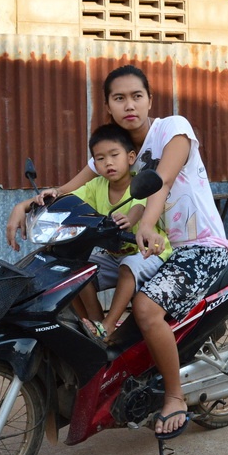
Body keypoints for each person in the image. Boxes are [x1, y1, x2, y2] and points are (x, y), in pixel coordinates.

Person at [6, 64, 228, 438]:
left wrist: (145, 222)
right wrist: (25, 205)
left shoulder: (173, 129)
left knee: (146, 308)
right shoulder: (119, 149)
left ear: (150, 100)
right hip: (151, 246)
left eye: (137, 96)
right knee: (71, 269)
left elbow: (161, 181)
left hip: (200, 248)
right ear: (108, 106)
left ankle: (174, 397)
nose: (130, 105)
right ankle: (102, 338)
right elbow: (67, 189)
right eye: (119, 98)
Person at [69, 123, 172, 339]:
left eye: (114, 155)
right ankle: (95, 325)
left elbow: (139, 206)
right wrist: (48, 200)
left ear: (131, 157)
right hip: (114, 255)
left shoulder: (140, 183)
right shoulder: (95, 186)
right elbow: (70, 200)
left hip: (150, 252)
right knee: (76, 272)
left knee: (128, 266)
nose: (108, 162)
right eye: (100, 158)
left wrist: (129, 219)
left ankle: (108, 325)